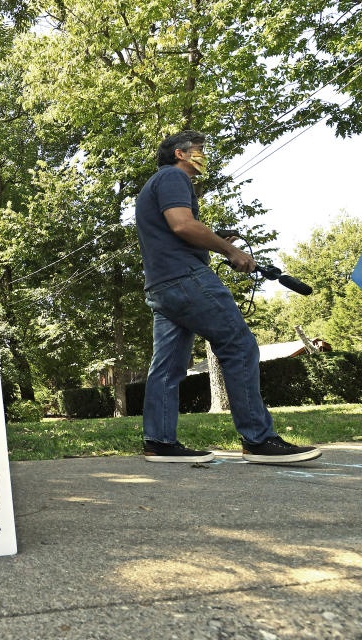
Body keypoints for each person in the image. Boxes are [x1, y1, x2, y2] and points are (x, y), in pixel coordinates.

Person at [135, 130, 321, 464]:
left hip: (161, 287)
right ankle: (259, 439)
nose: (204, 155)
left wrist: (215, 237)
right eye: (199, 150)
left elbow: (175, 232)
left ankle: (160, 442)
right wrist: (230, 249)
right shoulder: (176, 179)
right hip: (185, 279)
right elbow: (182, 225)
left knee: (167, 366)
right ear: (180, 153)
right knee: (238, 345)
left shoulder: (155, 185)